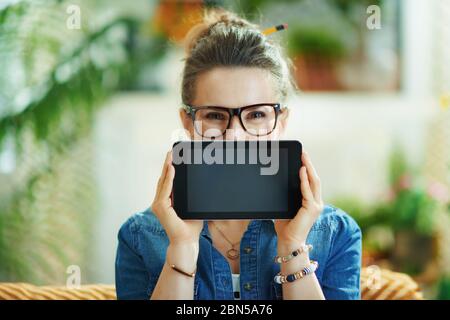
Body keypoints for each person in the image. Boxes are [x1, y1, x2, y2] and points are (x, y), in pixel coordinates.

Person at [115, 8, 361, 300]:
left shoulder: (336, 234)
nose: (234, 135)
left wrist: (293, 246)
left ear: (281, 123)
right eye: (215, 115)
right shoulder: (139, 237)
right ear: (187, 123)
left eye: (257, 114)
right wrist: (182, 248)